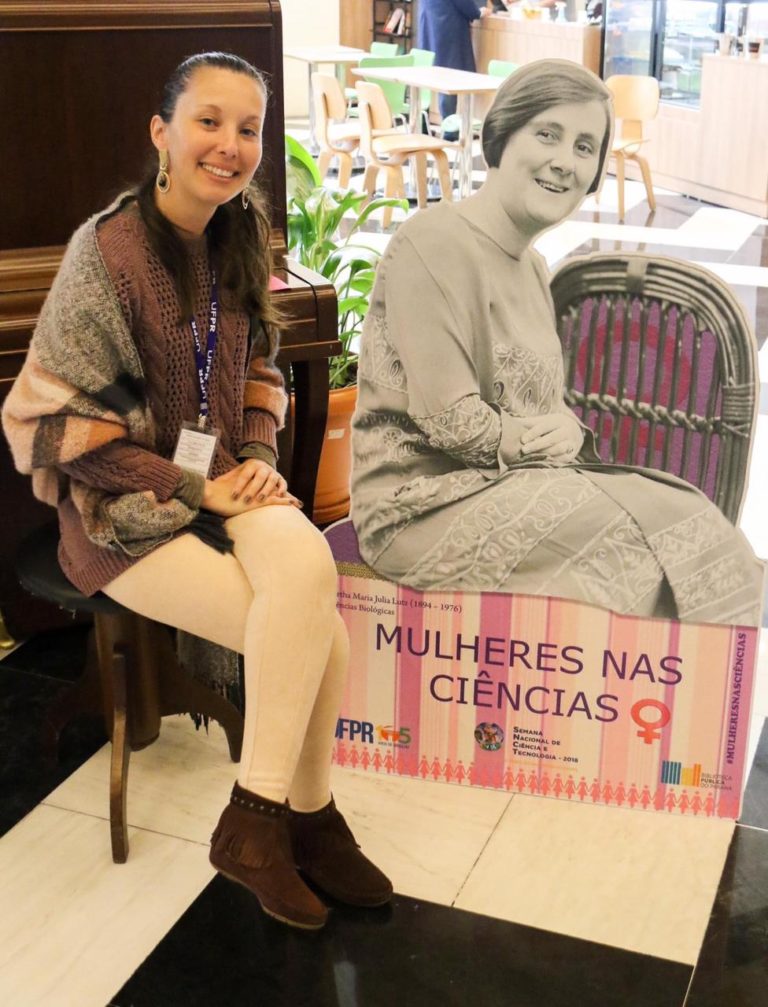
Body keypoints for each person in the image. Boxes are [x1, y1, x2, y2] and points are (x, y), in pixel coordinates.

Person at [2, 51, 391, 930]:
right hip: (117, 511)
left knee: (308, 581)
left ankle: (264, 820)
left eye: (248, 128)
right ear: (162, 134)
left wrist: (253, 451)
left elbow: (258, 366)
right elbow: (45, 425)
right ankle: (305, 817)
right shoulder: (107, 252)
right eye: (208, 122)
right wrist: (193, 486)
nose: (230, 145)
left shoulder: (241, 230)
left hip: (220, 477)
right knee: (319, 635)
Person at [350, 59, 762, 627]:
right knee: (642, 541)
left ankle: (698, 703)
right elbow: (454, 424)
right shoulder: (434, 241)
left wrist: (568, 426)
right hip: (419, 508)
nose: (565, 162)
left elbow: (537, 406)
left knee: (688, 517)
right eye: (548, 134)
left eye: (585, 147)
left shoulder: (535, 268)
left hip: (511, 487)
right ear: (504, 134)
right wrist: (540, 440)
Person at [418, 0, 489, 119]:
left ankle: (424, 123)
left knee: (433, 78)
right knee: (448, 79)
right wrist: (477, 12)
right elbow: (466, 6)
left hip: (430, 27)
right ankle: (449, 129)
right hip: (448, 30)